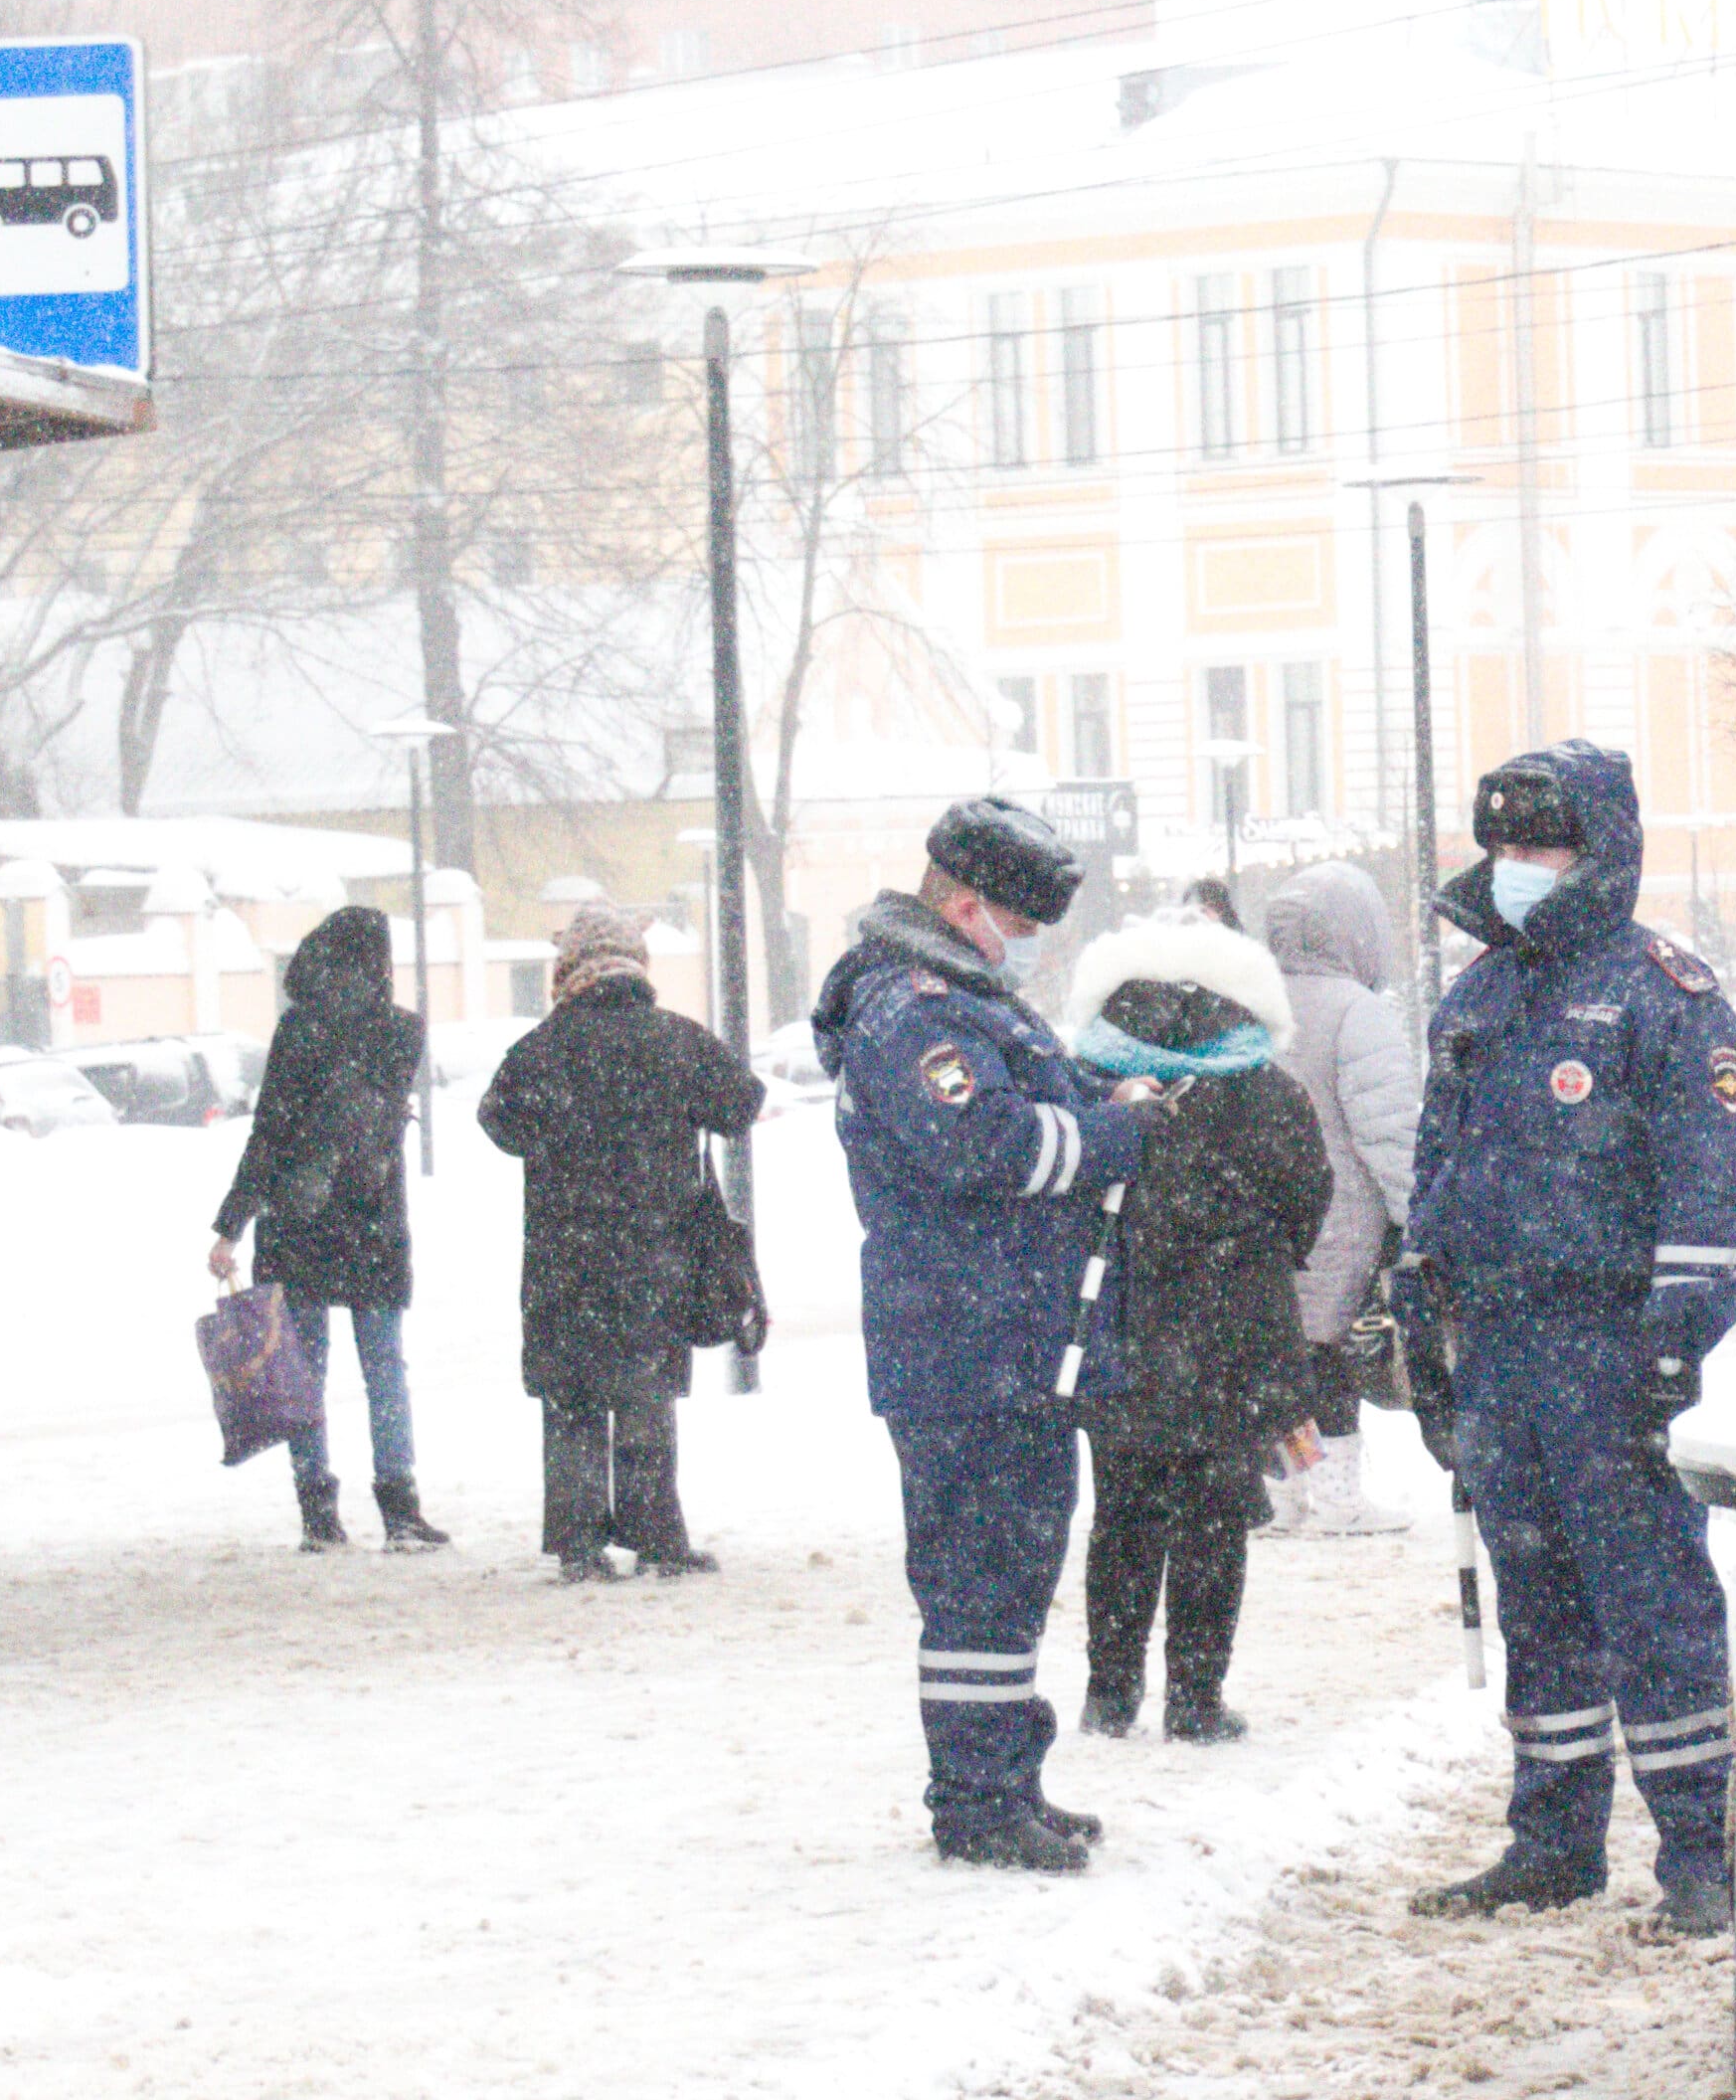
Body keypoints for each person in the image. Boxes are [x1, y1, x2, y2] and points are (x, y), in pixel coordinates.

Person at [1400, 741, 1736, 1934]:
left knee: (1651, 1606)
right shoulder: (1480, 996)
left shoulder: (1666, 994)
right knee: (1537, 1601)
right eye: (1501, 846)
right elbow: (1435, 1170)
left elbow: (1710, 1197)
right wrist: (1415, 1315)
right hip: (1498, 1347)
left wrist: (1672, 1345)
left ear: (1597, 849)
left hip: (1608, 1348)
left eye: (1540, 845)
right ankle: (1552, 1840)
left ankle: (1701, 1852)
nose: (1515, 868)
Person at [814, 794, 1142, 1872]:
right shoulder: (917, 1010)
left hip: (997, 1336)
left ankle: (1006, 1775)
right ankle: (974, 1800)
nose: (1030, 947)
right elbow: (989, 1146)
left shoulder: (961, 995)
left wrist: (1100, 1096)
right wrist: (1114, 1136)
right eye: (1021, 923)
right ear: (964, 905)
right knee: (976, 1577)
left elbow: (1029, 1100)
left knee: (1009, 1570)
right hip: (962, 1340)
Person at [1058, 917, 1331, 1739]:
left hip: (1123, 1331)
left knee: (1123, 1519)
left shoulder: (1090, 1082)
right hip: (1235, 1337)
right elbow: (1306, 1203)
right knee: (1216, 1524)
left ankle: (1110, 1693)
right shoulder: (1268, 1088)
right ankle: (1196, 1697)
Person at [475, 904, 764, 1582]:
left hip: (563, 1256)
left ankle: (578, 1544)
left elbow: (499, 1123)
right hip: (653, 1253)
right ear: (639, 963)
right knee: (645, 1392)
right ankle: (657, 1535)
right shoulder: (675, 1038)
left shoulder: (540, 1049)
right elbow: (741, 1103)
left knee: (573, 1397)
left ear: (568, 969)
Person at [207, 904, 434, 1554]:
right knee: (384, 1366)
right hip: (372, 1221)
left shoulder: (298, 1031)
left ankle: (318, 1512)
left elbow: (269, 1134)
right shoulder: (401, 1032)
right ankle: (400, 1506)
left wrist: (232, 1224)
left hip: (300, 1221)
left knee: (305, 1369)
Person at [1255, 859, 1419, 1538]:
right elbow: (1390, 1132)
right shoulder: (1358, 1011)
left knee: (1282, 1359)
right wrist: (1421, 1217)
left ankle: (1288, 1486)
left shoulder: (1251, 1003)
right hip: (1340, 1217)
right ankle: (1339, 1495)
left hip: (1262, 1223)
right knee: (1333, 1360)